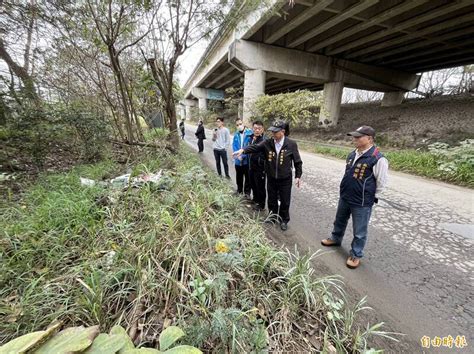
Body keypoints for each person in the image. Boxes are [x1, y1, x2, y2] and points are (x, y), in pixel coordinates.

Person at [320, 125, 388, 269]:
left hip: (362, 201)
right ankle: (335, 238)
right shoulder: (352, 154)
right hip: (345, 196)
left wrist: (369, 195)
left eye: (358, 137)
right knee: (339, 220)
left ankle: (356, 254)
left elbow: (381, 183)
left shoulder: (377, 158)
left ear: (369, 139)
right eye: (354, 136)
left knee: (360, 230)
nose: (354, 139)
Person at [234, 120, 302, 231]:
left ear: (283, 132)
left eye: (276, 132)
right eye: (272, 132)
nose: (273, 134)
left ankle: (284, 220)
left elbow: (297, 161)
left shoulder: (291, 144)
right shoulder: (268, 142)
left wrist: (298, 176)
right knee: (272, 200)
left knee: (285, 201)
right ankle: (272, 217)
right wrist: (243, 150)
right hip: (271, 177)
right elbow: (255, 147)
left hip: (285, 179)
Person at [247, 120, 266, 211]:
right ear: (252, 129)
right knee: (253, 184)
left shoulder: (264, 140)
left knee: (260, 186)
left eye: (259, 128)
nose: (257, 130)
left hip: (260, 168)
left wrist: (262, 163)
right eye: (255, 128)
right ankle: (255, 200)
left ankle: (261, 204)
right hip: (251, 166)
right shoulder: (251, 138)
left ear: (262, 129)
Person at [232, 118, 253, 196]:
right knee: (239, 176)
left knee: (248, 177)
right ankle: (239, 190)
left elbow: (250, 147)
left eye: (240, 124)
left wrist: (243, 155)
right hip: (238, 160)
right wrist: (237, 156)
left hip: (247, 160)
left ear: (243, 123)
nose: (239, 126)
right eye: (237, 125)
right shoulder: (236, 134)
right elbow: (234, 145)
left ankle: (247, 193)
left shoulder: (250, 133)